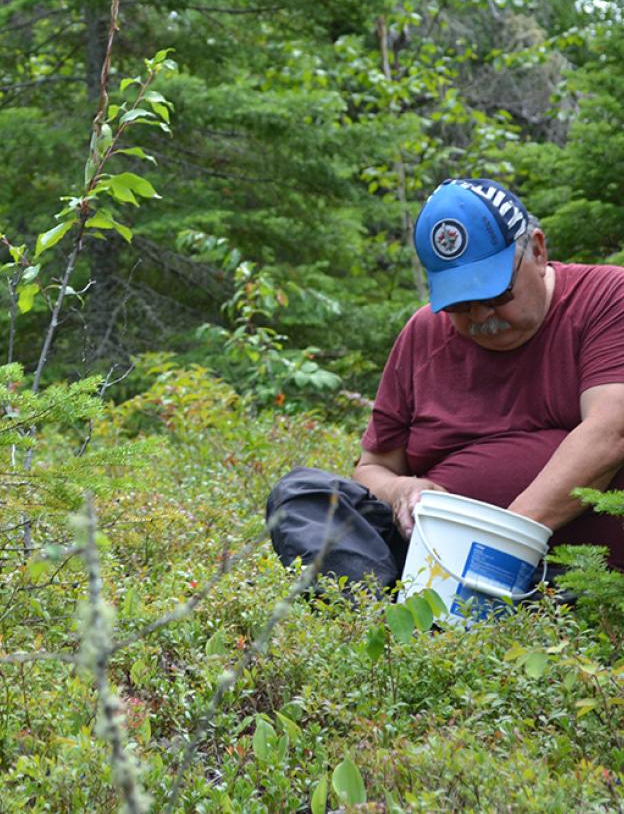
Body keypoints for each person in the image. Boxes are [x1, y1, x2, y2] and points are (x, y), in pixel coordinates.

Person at [267, 178, 624, 590]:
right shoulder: (423, 333)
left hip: (565, 565)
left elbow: (609, 431)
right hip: (433, 555)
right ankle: (383, 615)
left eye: (496, 294)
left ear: (538, 251)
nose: (480, 315)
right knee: (303, 495)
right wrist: (402, 490)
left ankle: (469, 607)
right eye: (459, 306)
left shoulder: (605, 298)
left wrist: (500, 544)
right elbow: (373, 467)